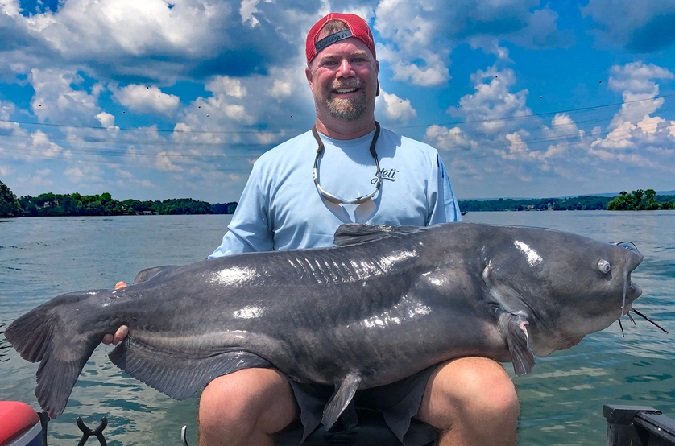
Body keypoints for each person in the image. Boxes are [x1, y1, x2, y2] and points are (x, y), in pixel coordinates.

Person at [104, 12, 519, 446]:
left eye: (358, 59)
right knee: (226, 404)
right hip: (292, 366)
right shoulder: (272, 167)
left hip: (414, 362)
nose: (345, 72)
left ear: (377, 73)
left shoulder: (424, 162)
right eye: (330, 62)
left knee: (489, 398)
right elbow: (226, 269)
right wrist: (137, 303)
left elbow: (467, 273)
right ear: (310, 76)